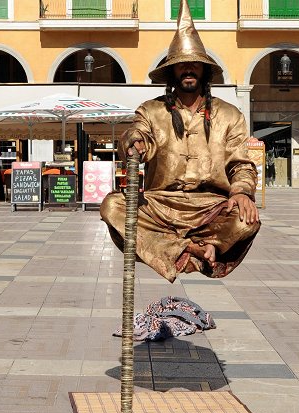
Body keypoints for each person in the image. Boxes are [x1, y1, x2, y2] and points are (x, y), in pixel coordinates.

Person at [100, 0, 260, 283]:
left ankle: (203, 245)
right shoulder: (150, 110)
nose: (188, 69)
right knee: (112, 206)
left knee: (247, 218)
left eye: (194, 65)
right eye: (181, 65)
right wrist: (134, 142)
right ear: (172, 72)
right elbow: (138, 133)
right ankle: (189, 248)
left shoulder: (229, 114)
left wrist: (242, 192)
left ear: (204, 70)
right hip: (160, 204)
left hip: (210, 206)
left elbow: (241, 163)